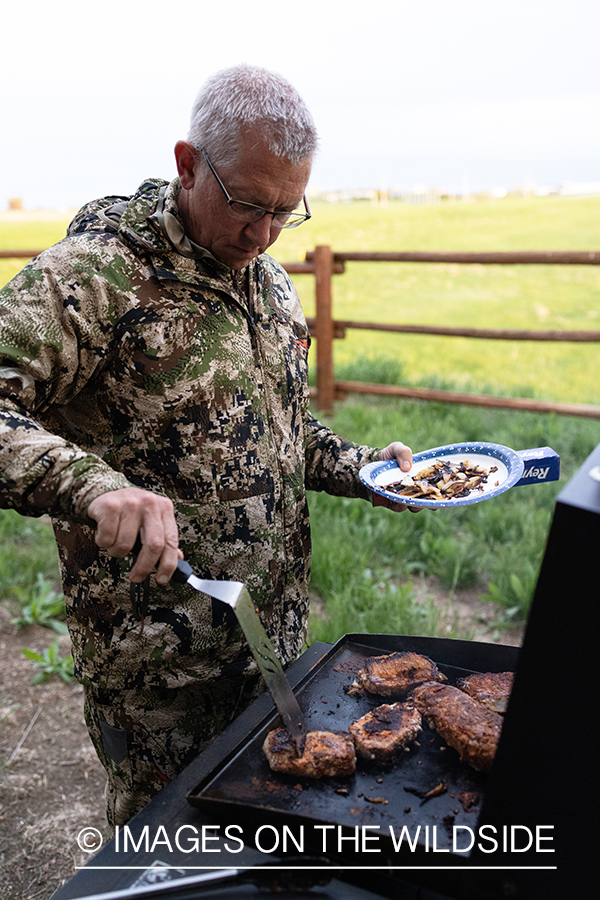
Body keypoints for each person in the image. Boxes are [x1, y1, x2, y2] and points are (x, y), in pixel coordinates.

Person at [0, 64, 413, 827]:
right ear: (188, 164)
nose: (263, 235)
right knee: (174, 860)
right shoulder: (94, 279)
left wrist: (363, 469)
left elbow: (283, 433)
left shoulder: (269, 283)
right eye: (248, 205)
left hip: (276, 645)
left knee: (273, 852)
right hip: (161, 673)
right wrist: (90, 485)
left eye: (288, 212)